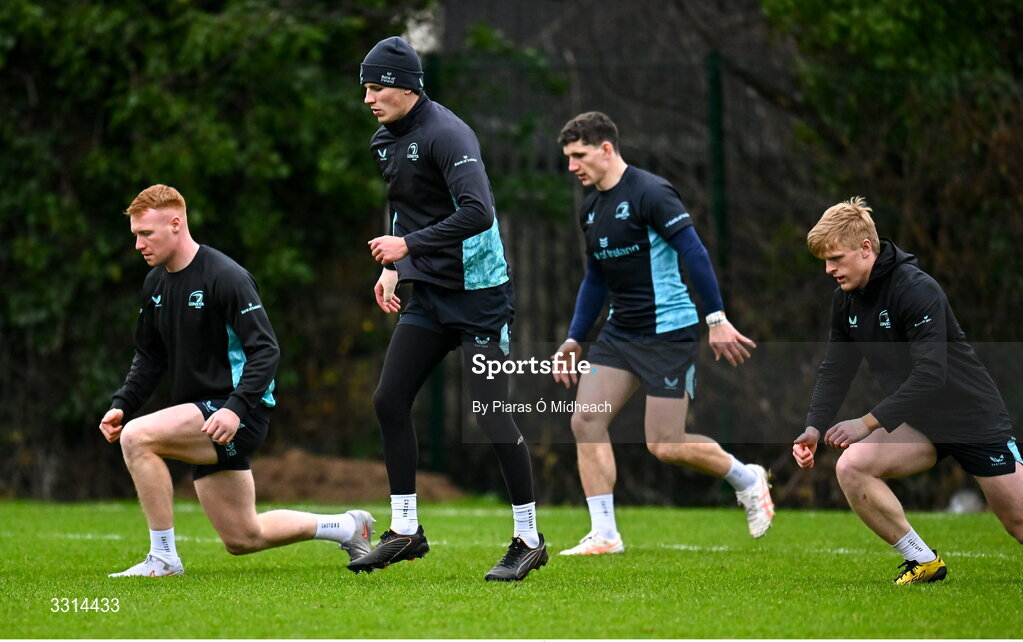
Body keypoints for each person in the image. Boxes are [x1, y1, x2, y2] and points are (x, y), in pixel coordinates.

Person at [100, 184, 375, 577]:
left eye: (147, 234)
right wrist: (122, 404)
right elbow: (150, 356)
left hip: (237, 413)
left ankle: (162, 558)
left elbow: (266, 351)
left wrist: (234, 409)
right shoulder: (155, 284)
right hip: (206, 417)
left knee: (137, 438)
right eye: (136, 235)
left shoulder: (225, 276)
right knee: (244, 537)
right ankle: (349, 526)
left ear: (176, 224)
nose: (139, 244)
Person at [350, 36, 547, 582]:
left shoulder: (447, 133)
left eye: (377, 86)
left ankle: (529, 538)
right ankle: (406, 530)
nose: (368, 98)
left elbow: (479, 212)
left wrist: (407, 250)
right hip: (430, 294)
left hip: (481, 295)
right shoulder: (384, 141)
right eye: (365, 87)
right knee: (390, 399)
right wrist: (393, 267)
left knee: (489, 412)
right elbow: (404, 209)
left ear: (407, 85)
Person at [551, 112, 775, 557]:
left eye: (578, 155)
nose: (572, 166)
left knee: (665, 444)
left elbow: (693, 251)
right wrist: (576, 337)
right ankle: (605, 534)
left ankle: (748, 479)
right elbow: (595, 277)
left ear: (606, 149)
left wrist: (716, 320)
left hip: (668, 332)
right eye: (568, 157)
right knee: (585, 420)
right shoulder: (591, 208)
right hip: (620, 333)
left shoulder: (650, 192)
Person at [792, 197, 1023, 584]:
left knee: (1017, 522)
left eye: (836, 258)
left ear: (866, 248)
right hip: (918, 424)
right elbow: (836, 369)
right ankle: (924, 561)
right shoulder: (845, 300)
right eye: (825, 261)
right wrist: (814, 427)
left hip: (972, 420)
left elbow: (932, 374)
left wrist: (865, 423)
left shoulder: (915, 289)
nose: (829, 269)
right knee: (852, 467)